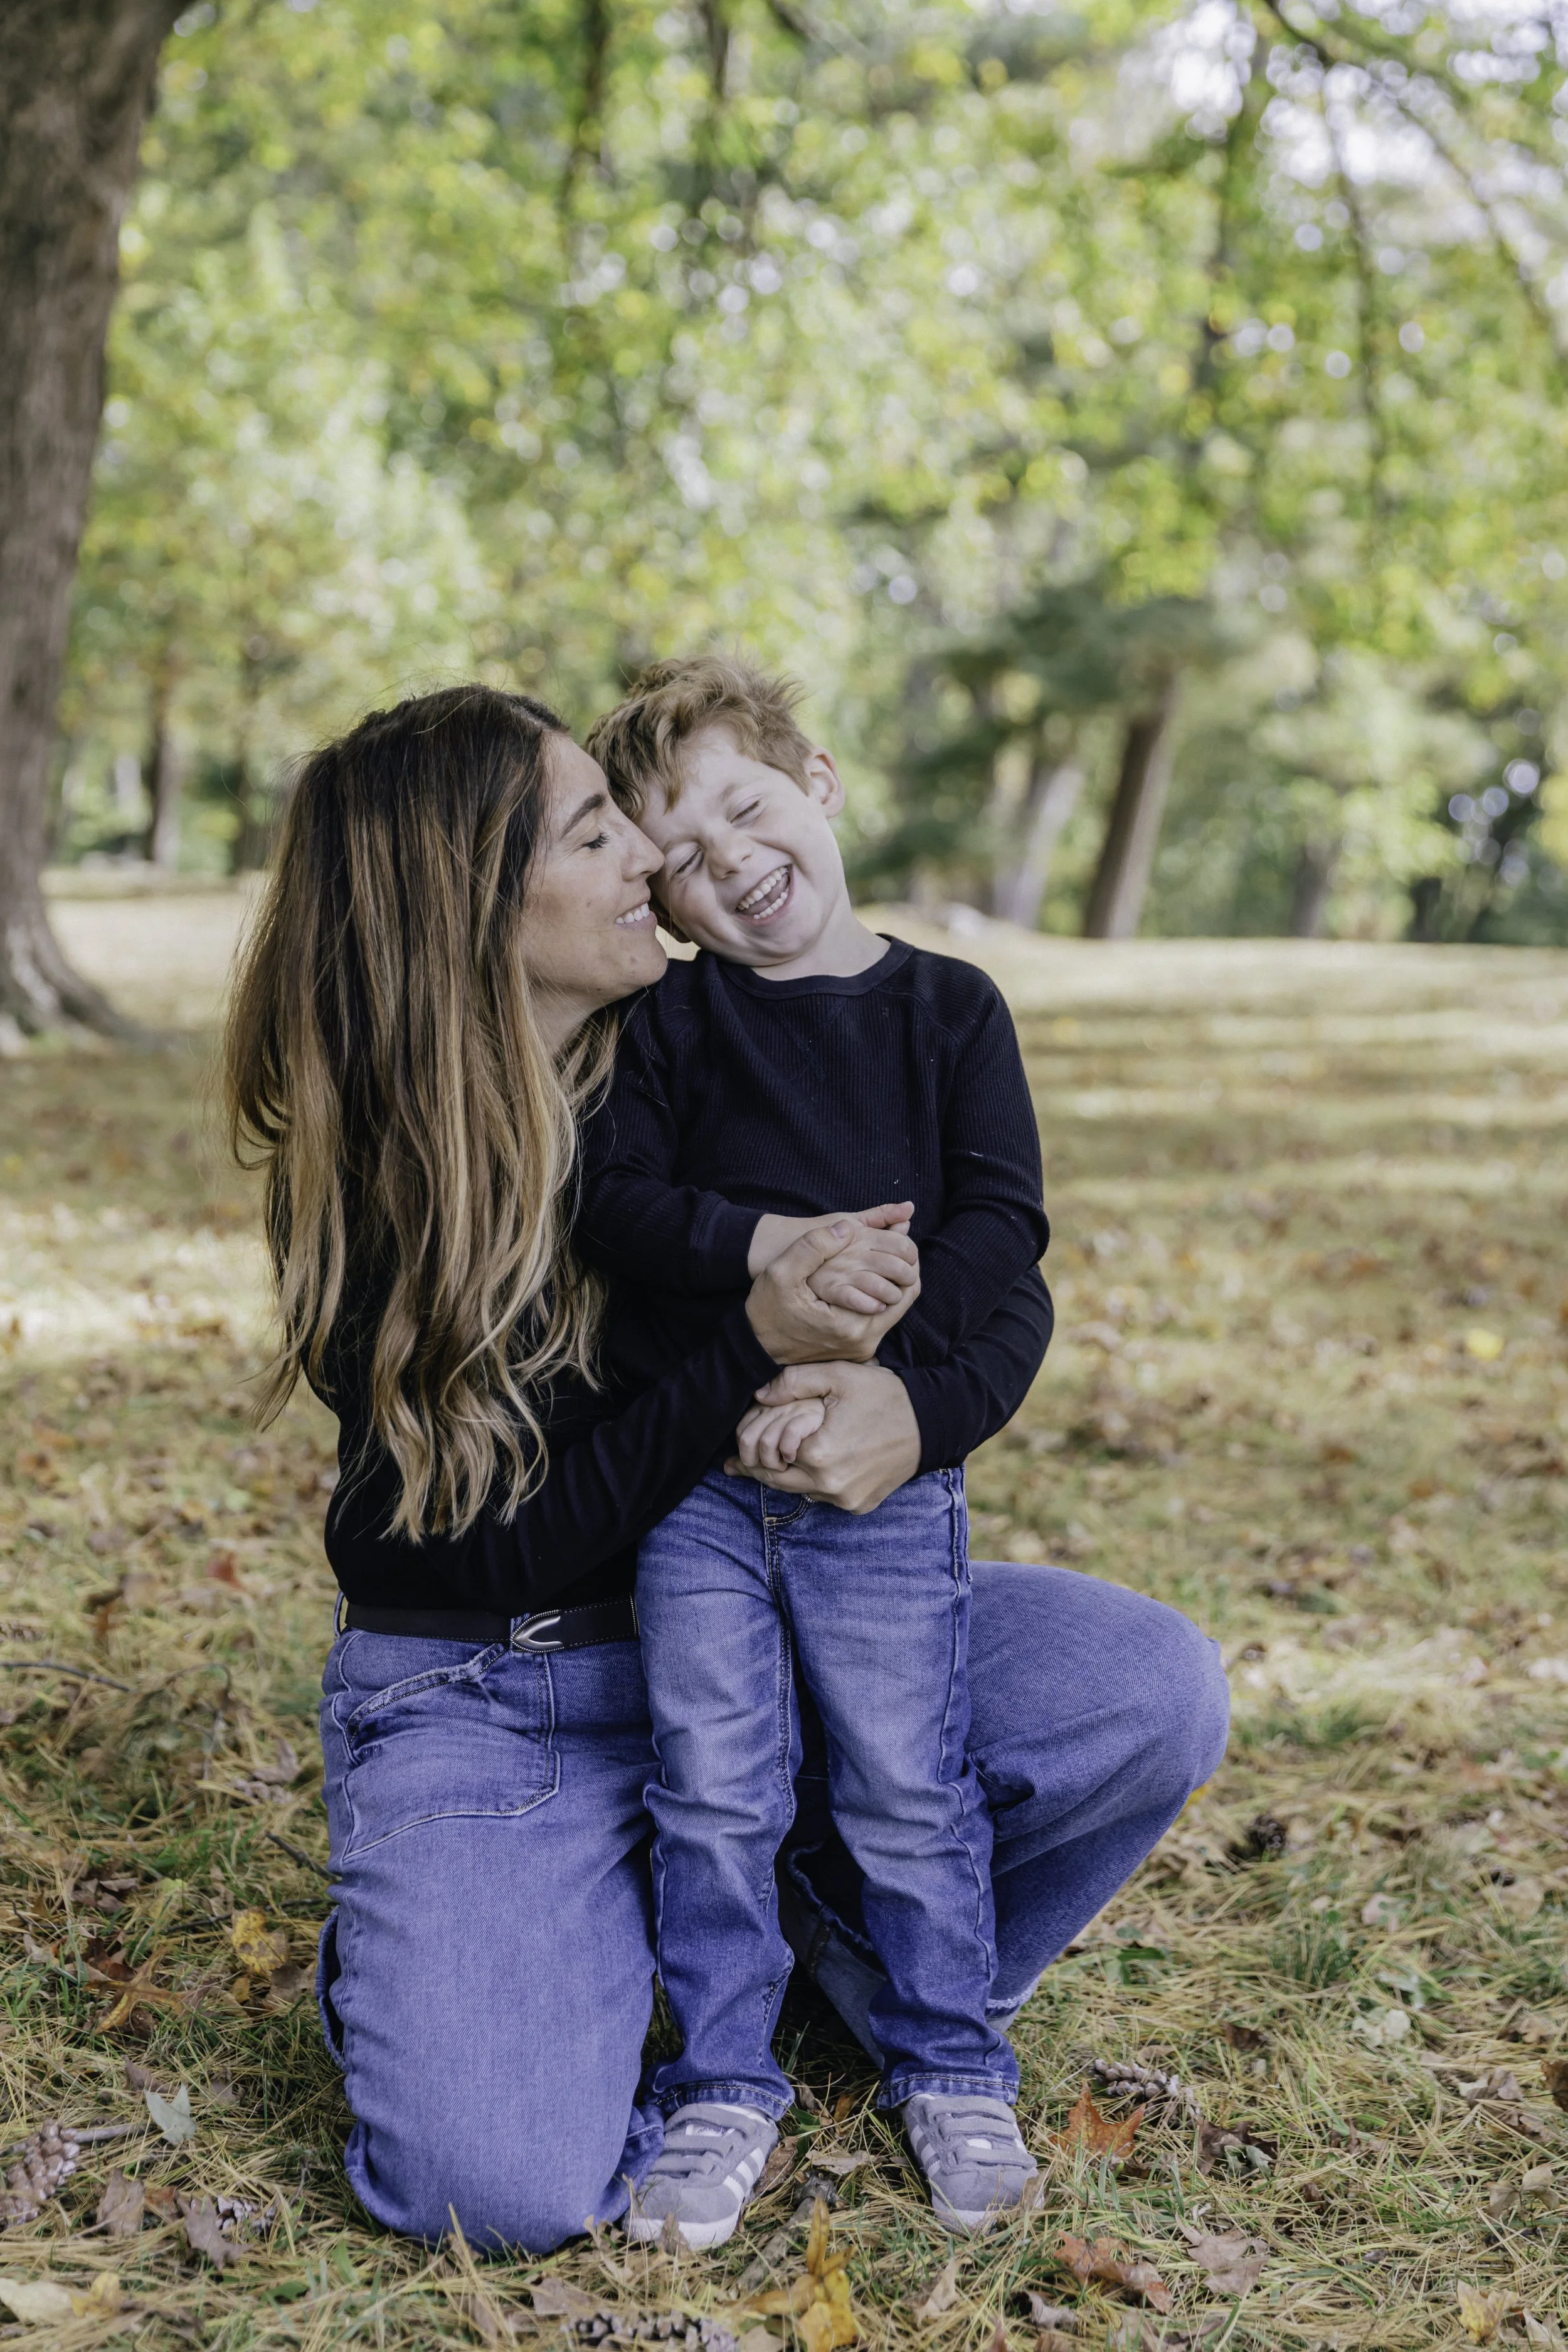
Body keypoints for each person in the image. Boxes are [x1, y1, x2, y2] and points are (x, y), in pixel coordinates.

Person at [222, 681, 1230, 2255]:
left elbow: (986, 1255)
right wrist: (745, 1350)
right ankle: (612, 1952)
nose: (653, 862)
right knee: (488, 2185)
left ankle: (818, 1974)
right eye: (598, 829)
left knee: (1142, 1690)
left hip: (773, 1630)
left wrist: (920, 1415)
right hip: (505, 1691)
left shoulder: (699, 1034)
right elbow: (465, 1560)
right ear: (473, 911)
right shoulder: (386, 1171)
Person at [579, 656, 1049, 2241]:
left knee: (907, 1784)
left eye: (745, 807)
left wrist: (891, 1336)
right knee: (710, 1787)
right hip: (700, 1488)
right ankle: (719, 2080)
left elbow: (1003, 1219)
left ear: (822, 782)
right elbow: (622, 1207)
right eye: (683, 857)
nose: (728, 862)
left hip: (879, 1480)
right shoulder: (671, 1021)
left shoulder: (947, 1008)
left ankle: (946, 2056)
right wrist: (779, 1249)